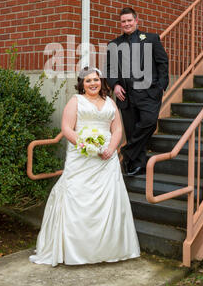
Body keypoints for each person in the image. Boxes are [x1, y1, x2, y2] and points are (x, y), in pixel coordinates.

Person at [29, 66, 140, 267]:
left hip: (107, 159)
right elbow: (67, 129)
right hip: (82, 157)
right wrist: (88, 147)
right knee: (77, 197)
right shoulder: (75, 101)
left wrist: (111, 149)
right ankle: (76, 250)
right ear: (82, 84)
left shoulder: (109, 102)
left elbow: (117, 129)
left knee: (109, 200)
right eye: (88, 81)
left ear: (101, 82)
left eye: (96, 80)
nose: (93, 84)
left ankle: (108, 249)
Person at [106, 7, 169, 176]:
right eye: (123, 21)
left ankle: (126, 152)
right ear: (120, 24)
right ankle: (136, 165)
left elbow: (162, 62)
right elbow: (110, 69)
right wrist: (115, 85)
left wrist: (161, 85)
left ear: (136, 20)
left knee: (149, 122)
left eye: (129, 20)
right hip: (125, 95)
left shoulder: (151, 39)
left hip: (149, 93)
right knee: (132, 130)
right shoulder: (114, 44)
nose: (126, 24)